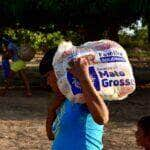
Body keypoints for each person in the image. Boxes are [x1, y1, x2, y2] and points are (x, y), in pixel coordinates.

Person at [39, 48, 109, 150]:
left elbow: (102, 118)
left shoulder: (84, 95)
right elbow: (51, 135)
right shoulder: (66, 99)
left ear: (60, 71)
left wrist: (84, 78)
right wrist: (52, 109)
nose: (48, 82)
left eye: (48, 76)